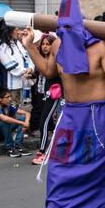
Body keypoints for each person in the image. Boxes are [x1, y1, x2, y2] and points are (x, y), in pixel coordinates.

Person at [23, 0, 105, 208]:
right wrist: (30, 47)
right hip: (70, 113)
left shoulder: (100, 47)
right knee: (58, 162)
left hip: (98, 113)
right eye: (61, 27)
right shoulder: (58, 45)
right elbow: (48, 72)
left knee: (100, 162)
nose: (65, 31)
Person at [31, 34, 63, 165]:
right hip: (41, 93)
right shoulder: (41, 58)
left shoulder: (55, 59)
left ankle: (42, 152)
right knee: (45, 122)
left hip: (54, 93)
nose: (45, 47)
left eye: (48, 44)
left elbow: (50, 74)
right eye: (43, 44)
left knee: (44, 122)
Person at [0, 19, 35, 107]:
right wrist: (26, 71)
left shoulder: (17, 43)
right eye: (16, 30)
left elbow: (27, 57)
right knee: (11, 109)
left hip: (20, 83)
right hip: (10, 87)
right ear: (9, 31)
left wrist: (31, 68)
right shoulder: (2, 46)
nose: (19, 32)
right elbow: (12, 66)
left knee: (17, 108)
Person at [0, 87, 31, 157]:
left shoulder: (8, 104)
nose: (10, 99)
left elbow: (26, 113)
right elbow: (3, 118)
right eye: (7, 97)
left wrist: (26, 122)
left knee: (22, 118)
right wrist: (22, 123)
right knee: (5, 121)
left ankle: (18, 145)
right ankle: (10, 148)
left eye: (10, 96)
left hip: (4, 131)